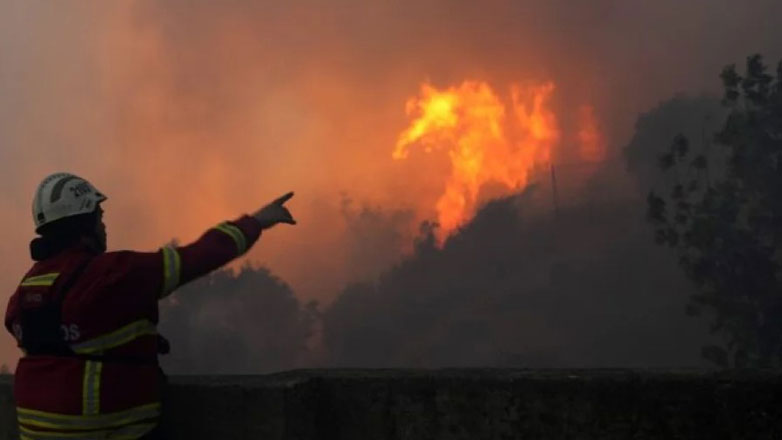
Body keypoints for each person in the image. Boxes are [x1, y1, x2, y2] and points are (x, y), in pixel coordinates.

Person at [4, 172, 296, 439]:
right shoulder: (116, 274)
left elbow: (73, 338)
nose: (103, 224)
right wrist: (257, 221)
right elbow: (201, 255)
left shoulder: (27, 288)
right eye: (99, 216)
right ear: (84, 225)